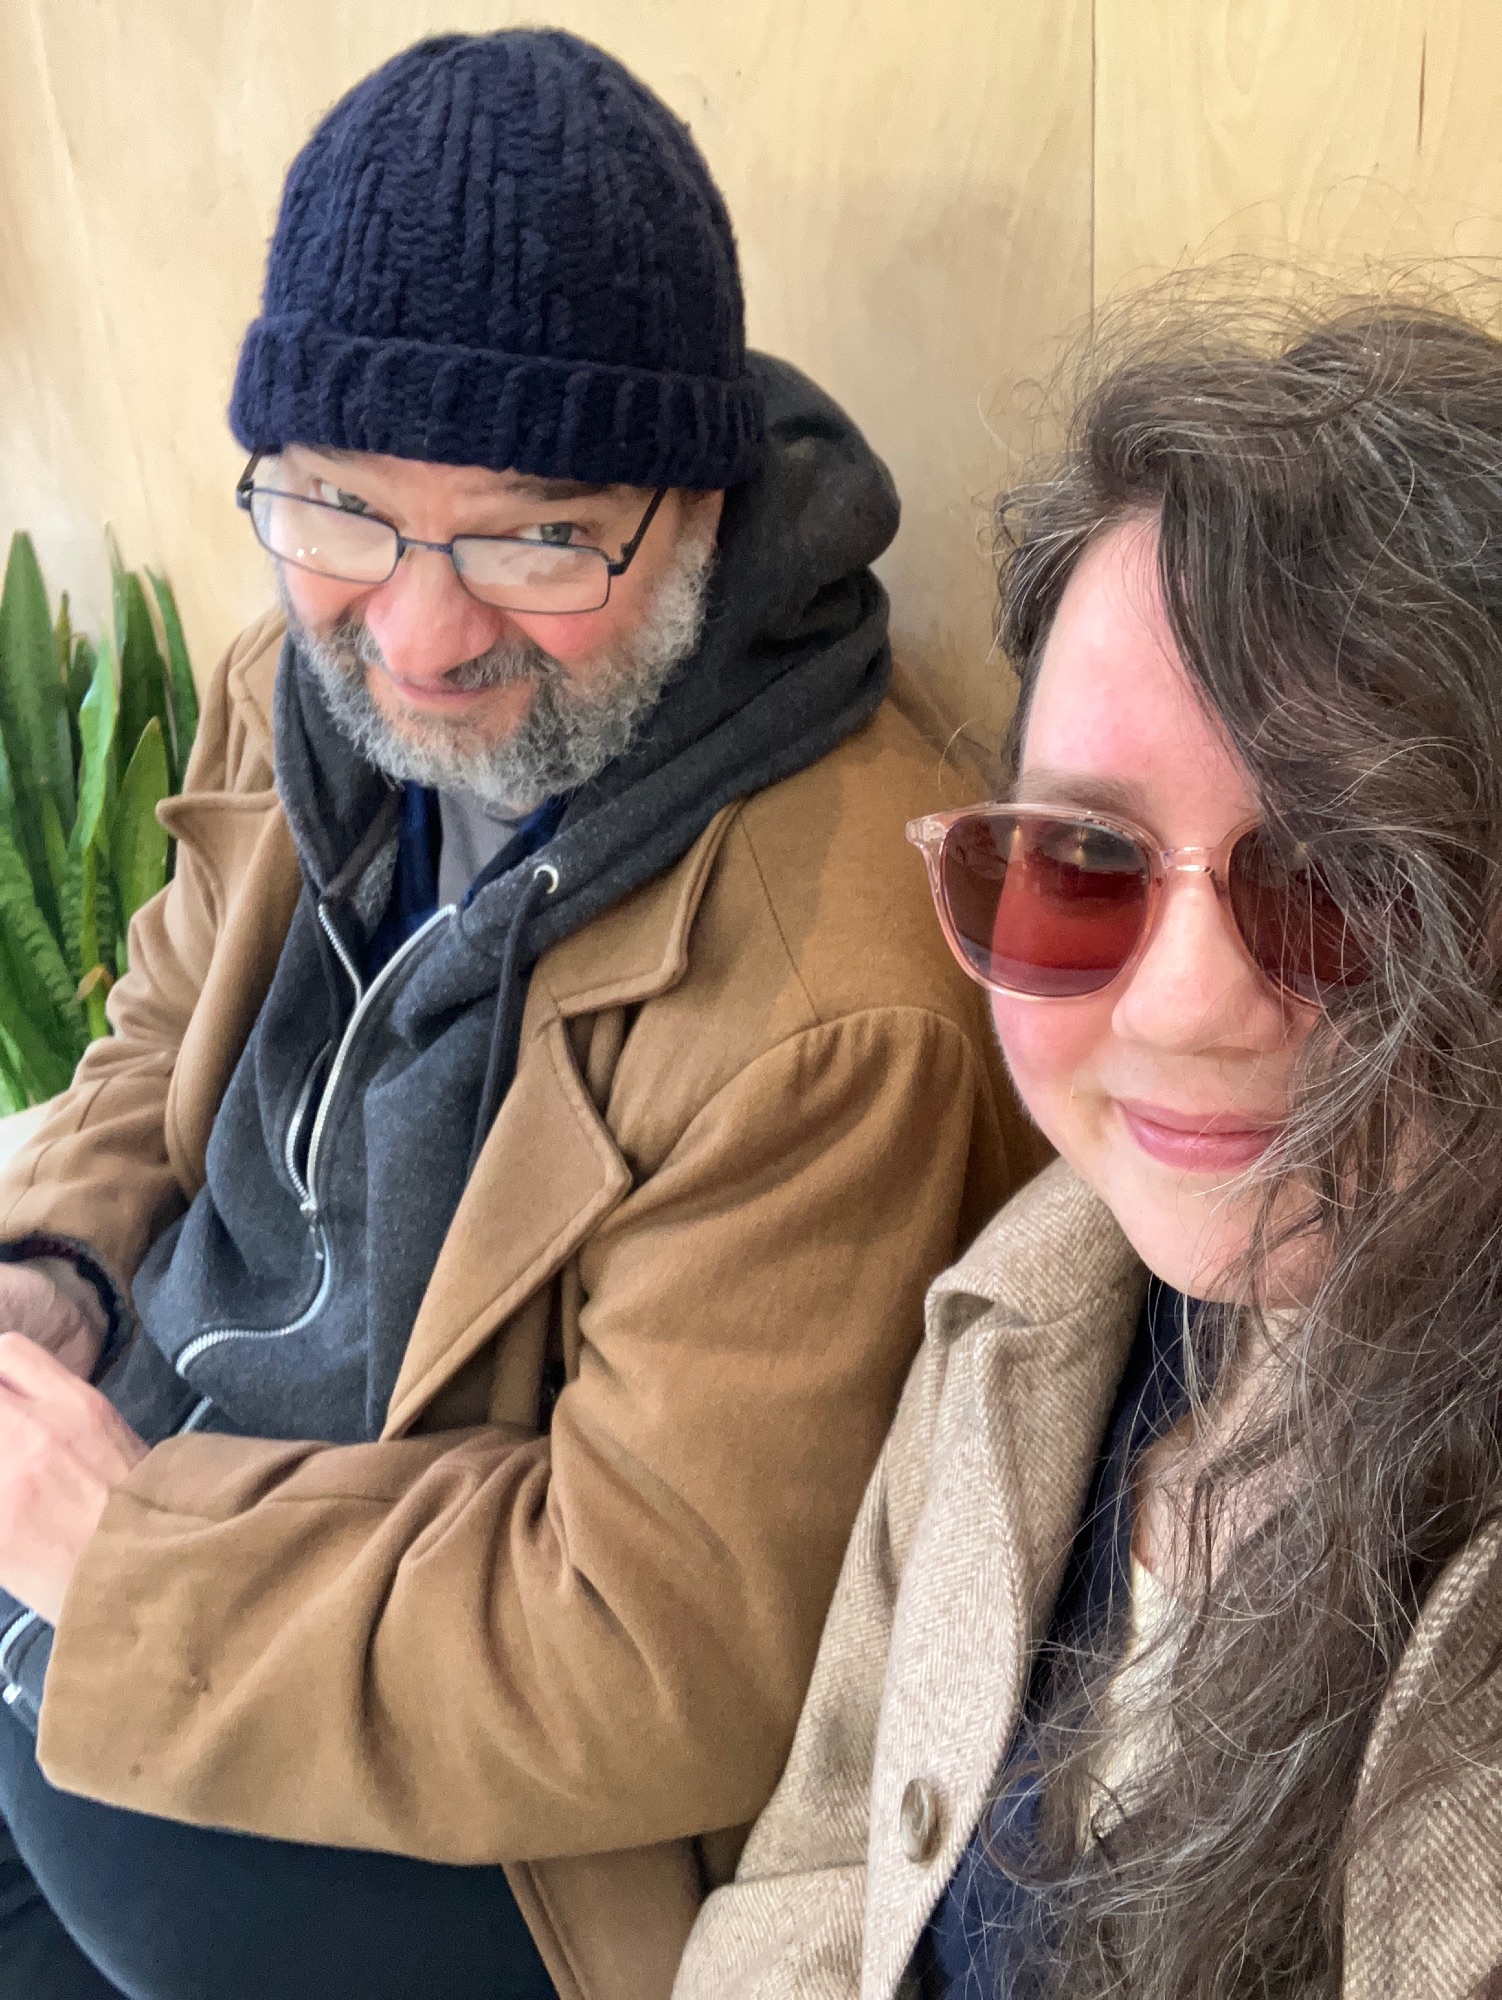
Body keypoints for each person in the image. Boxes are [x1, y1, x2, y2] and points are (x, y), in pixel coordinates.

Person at [0, 30, 1038, 2000]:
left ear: (696, 505)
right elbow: (155, 1024)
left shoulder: (827, 1004)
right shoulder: (301, 675)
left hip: (460, 1841)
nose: (419, 632)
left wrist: (120, 1561)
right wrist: (53, 1267)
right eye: (337, 509)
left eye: (536, 534)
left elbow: (655, 1654)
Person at [674, 294, 1502, 2000]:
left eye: (1353, 884)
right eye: (1082, 863)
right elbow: (821, 1867)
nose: (1186, 1007)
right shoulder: (1028, 1314)